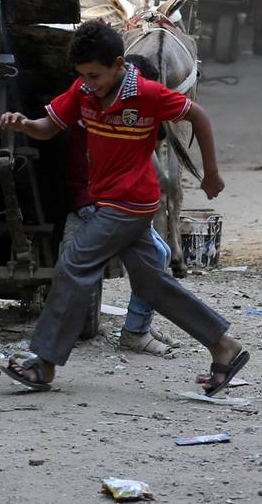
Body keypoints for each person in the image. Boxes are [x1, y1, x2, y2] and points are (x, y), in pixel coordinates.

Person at [0, 21, 249, 394]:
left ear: (118, 65)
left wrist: (210, 172)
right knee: (151, 284)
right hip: (112, 202)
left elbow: (198, 115)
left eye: (95, 75)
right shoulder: (83, 91)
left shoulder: (147, 94)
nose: (89, 83)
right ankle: (223, 346)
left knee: (74, 264)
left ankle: (45, 363)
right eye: (83, 76)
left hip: (129, 203)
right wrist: (24, 125)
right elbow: (49, 126)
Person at [62, 53, 176, 356]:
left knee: (161, 252)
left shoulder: (115, 111)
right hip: (98, 204)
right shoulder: (102, 116)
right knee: (156, 255)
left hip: (113, 203)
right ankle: (135, 331)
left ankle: (140, 325)